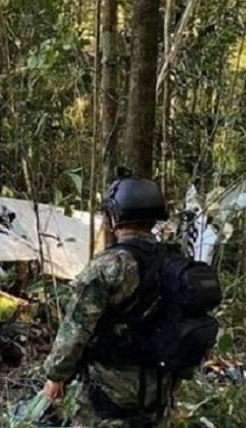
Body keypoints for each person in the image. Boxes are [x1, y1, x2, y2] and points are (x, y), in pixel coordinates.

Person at [42, 177, 175, 427]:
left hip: (109, 392)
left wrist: (55, 376)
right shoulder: (173, 260)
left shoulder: (109, 266)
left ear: (116, 217)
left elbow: (76, 329)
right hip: (159, 388)